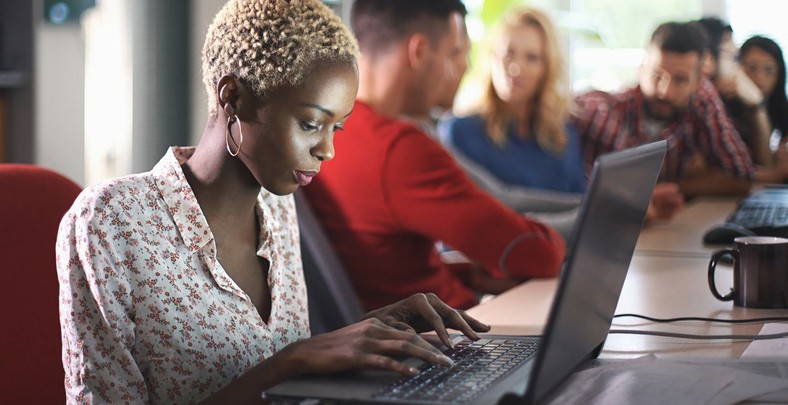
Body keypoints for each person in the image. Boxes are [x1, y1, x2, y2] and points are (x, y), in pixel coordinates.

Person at [56, 1, 491, 403]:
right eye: (310, 123)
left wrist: (365, 332)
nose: (328, 150)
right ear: (234, 98)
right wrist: (290, 363)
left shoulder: (278, 204)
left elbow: (280, 365)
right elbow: (284, 364)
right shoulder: (111, 221)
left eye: (336, 128)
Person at [303, 0, 566, 312]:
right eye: (453, 53)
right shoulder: (399, 150)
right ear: (419, 51)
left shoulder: (330, 134)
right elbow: (537, 253)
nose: (461, 68)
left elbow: (393, 263)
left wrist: (468, 273)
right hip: (450, 340)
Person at [439, 7, 585, 239]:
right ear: (491, 58)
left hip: (563, 255)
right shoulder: (460, 131)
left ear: (547, 68)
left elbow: (583, 202)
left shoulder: (562, 133)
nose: (516, 68)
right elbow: (490, 216)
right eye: (508, 53)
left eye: (532, 58)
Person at [572, 21, 755, 200]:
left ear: (698, 82)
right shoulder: (599, 110)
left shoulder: (700, 102)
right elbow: (557, 107)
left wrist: (666, 190)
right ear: (641, 69)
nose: (665, 91)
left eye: (681, 80)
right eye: (657, 75)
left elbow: (740, 177)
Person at [695, 17, 788, 182]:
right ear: (707, 59)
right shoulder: (701, 99)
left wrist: (757, 106)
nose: (739, 69)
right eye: (733, 58)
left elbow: (741, 167)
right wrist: (773, 175)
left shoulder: (710, 100)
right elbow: (740, 172)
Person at [739, 35, 788, 149]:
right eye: (752, 68)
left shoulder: (783, 108)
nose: (759, 79)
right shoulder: (726, 109)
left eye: (769, 71)